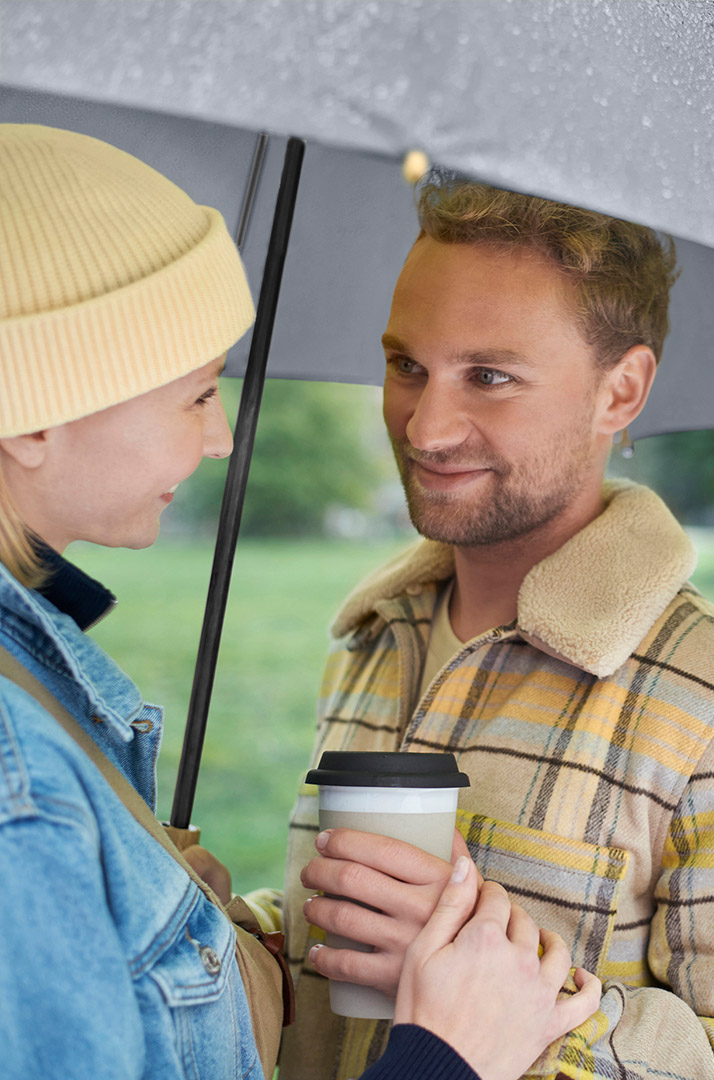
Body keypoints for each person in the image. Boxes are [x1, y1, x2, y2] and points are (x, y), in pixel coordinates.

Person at [0, 124, 599, 1080]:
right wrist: (448, 1056)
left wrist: (167, 921)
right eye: (198, 394)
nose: (221, 439)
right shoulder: (18, 786)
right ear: (33, 414)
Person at [282, 175, 714, 1079]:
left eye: (489, 377)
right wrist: (225, 932)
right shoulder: (377, 636)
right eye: (408, 364)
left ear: (622, 390)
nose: (425, 425)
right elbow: (320, 979)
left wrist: (538, 1012)